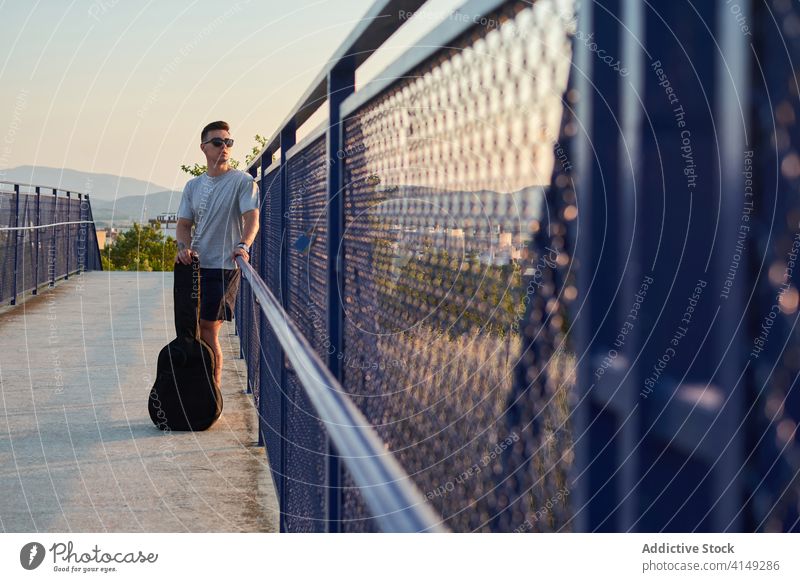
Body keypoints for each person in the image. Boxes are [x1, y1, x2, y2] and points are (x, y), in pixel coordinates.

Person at [175, 120, 259, 387]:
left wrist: (244, 245)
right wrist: (183, 248)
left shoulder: (243, 181)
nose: (224, 147)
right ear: (204, 147)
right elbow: (183, 225)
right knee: (194, 330)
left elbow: (251, 218)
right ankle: (199, 388)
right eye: (218, 142)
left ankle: (213, 394)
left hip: (224, 266)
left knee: (209, 328)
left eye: (228, 142)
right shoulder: (193, 186)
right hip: (195, 266)